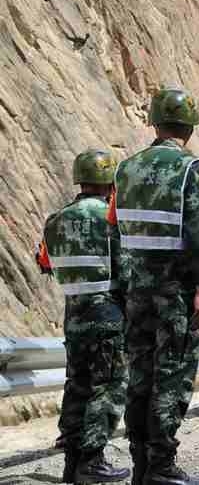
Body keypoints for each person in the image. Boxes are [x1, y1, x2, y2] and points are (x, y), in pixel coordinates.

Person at [108, 87, 199, 485]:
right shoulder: (190, 167)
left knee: (140, 376)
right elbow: (197, 233)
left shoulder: (126, 168)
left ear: (154, 123)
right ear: (189, 127)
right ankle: (162, 467)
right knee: (171, 375)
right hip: (174, 292)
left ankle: (141, 466)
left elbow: (114, 231)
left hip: (136, 293)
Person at [36, 149, 130, 484]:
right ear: (109, 180)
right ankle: (92, 461)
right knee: (108, 385)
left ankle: (72, 464)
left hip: (73, 315)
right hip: (107, 315)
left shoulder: (55, 219)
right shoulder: (111, 217)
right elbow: (127, 268)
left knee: (77, 384)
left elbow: (45, 264)